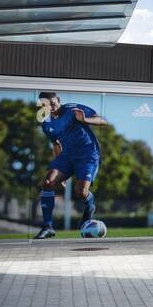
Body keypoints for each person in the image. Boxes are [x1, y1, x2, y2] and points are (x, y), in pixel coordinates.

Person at [33, 92, 108, 240]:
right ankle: (48, 227)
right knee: (48, 182)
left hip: (88, 155)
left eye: (53, 103)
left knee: (80, 192)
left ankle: (89, 206)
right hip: (66, 157)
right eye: (45, 105)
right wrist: (60, 171)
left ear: (58, 101)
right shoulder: (46, 123)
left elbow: (103, 120)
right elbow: (56, 145)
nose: (51, 107)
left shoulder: (73, 109)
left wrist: (85, 119)